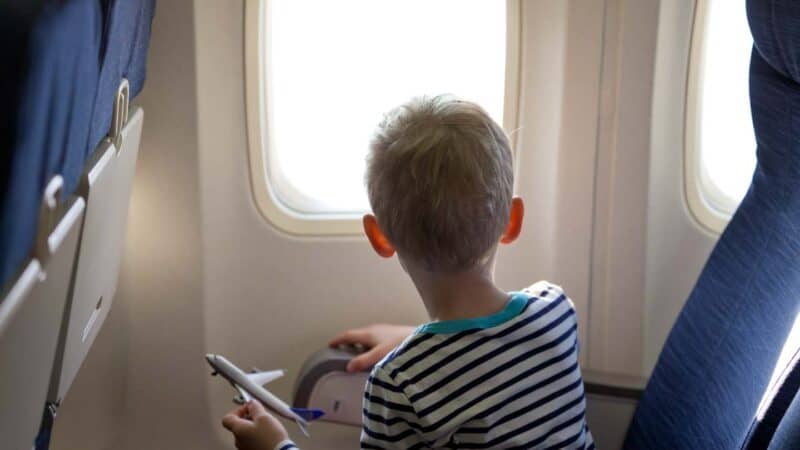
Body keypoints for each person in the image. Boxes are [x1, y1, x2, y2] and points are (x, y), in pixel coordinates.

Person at [222, 95, 593, 449]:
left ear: (379, 236)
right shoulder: (557, 311)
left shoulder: (399, 382)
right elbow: (498, 360)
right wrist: (416, 338)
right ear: (512, 221)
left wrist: (276, 446)